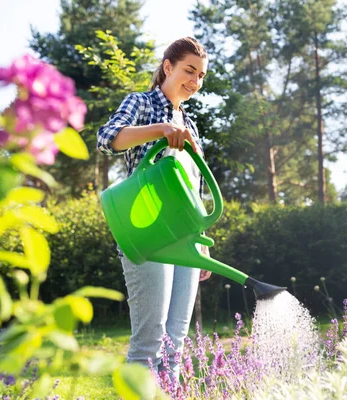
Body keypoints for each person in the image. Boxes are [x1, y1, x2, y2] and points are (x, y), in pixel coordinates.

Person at [97, 37, 211, 373]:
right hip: (147, 230)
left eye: (201, 75)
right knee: (149, 343)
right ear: (167, 67)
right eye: (189, 70)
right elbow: (107, 139)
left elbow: (196, 190)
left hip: (187, 237)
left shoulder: (190, 126)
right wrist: (161, 130)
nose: (195, 80)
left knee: (174, 345)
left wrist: (202, 244)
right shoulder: (142, 103)